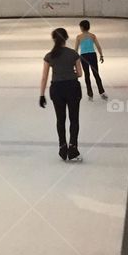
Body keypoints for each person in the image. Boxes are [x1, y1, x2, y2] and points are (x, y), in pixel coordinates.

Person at [39, 28, 83, 161]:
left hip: (57, 89)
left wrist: (42, 95)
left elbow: (44, 77)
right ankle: (73, 148)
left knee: (60, 119)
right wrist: (70, 74)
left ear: (53, 39)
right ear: (66, 38)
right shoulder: (73, 54)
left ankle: (62, 147)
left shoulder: (49, 56)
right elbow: (80, 73)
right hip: (72, 87)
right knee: (74, 119)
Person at [74, 20, 107, 101]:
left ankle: (90, 93)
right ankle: (102, 92)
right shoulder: (92, 36)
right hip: (92, 55)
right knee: (96, 74)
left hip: (84, 56)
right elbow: (98, 46)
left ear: (82, 27)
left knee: (87, 75)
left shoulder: (79, 37)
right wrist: (101, 55)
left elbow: (76, 50)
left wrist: (74, 60)